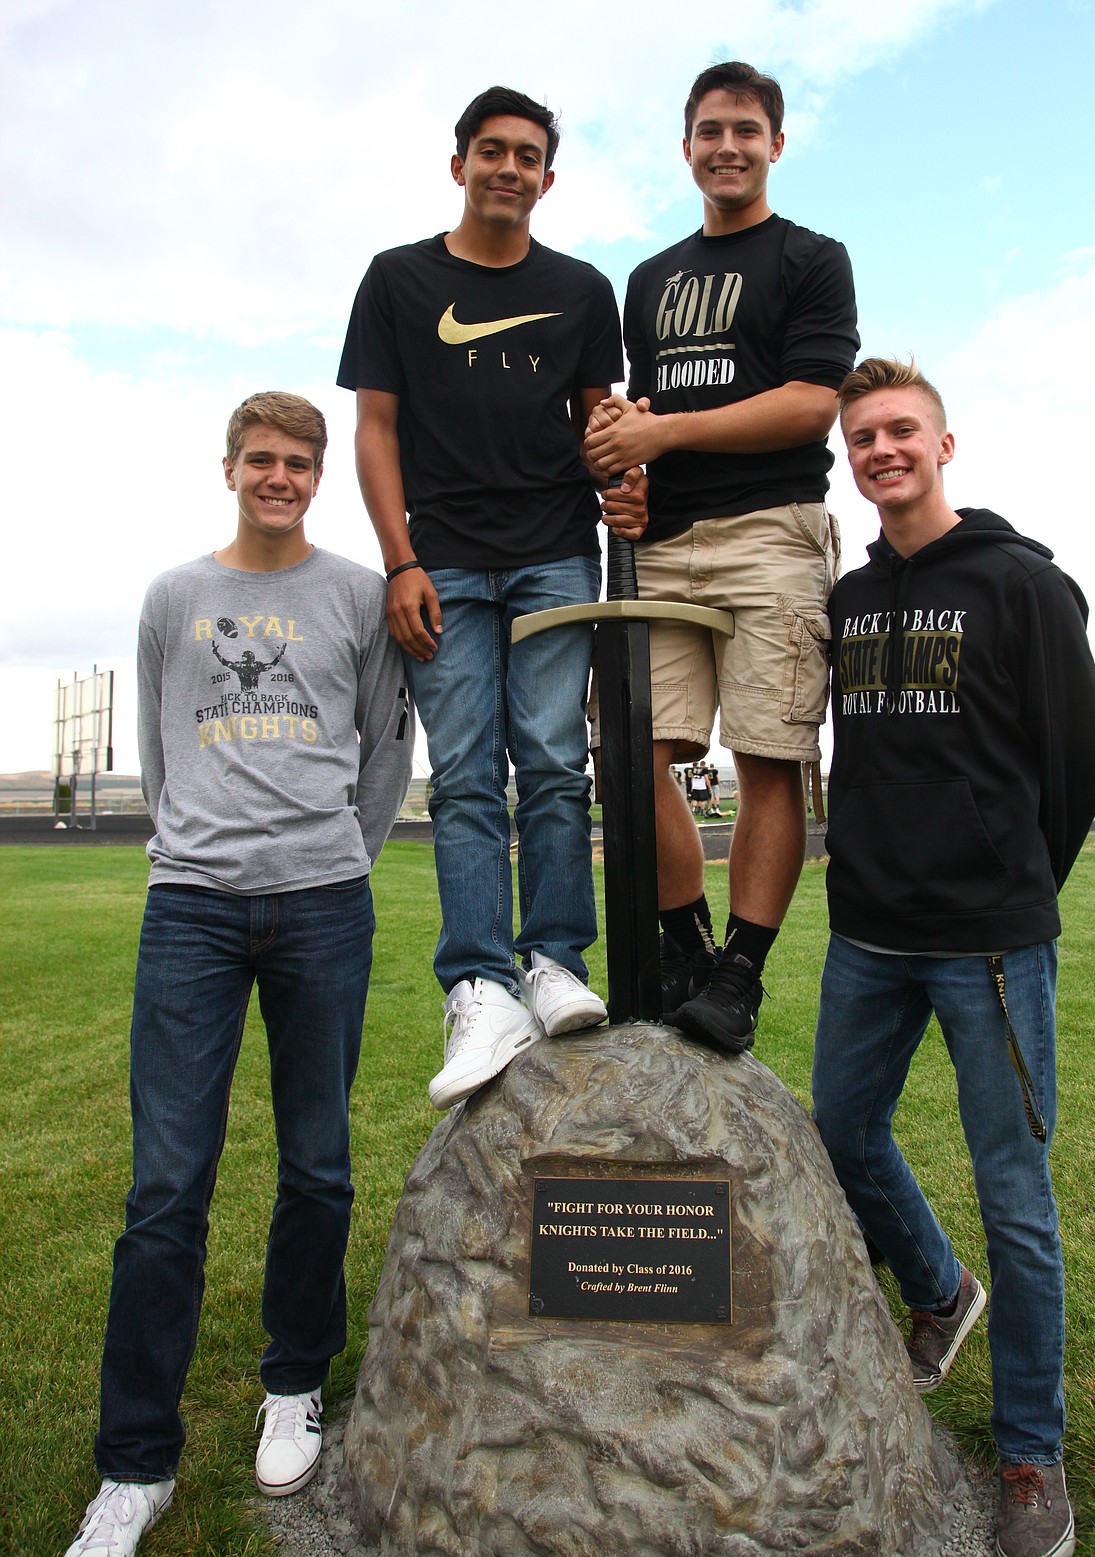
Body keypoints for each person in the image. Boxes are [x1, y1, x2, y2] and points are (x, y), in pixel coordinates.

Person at [64, 393, 414, 1557]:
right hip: (193, 911)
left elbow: (383, 740)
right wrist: (195, 847)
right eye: (260, 460)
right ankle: (135, 1465)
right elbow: (164, 750)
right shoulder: (177, 597)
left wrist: (342, 856)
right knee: (166, 1186)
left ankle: (293, 1385)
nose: (279, 478)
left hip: (323, 902)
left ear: (318, 475)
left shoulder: (358, 595)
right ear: (228, 469)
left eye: (299, 463)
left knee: (317, 1165)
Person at [811, 357, 1095, 1557]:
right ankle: (939, 1292)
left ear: (944, 445)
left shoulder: (1023, 585)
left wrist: (1007, 878)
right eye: (864, 437)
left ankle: (1030, 1456)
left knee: (1018, 1202)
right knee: (840, 1132)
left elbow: (1078, 762)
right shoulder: (850, 599)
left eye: (902, 432)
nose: (883, 449)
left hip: (988, 946)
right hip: (870, 937)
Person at [338, 86, 645, 1112]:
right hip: (445, 565)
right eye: (491, 151)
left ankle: (553, 960)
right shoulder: (397, 279)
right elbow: (375, 430)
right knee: (468, 776)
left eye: (528, 156)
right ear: (459, 163)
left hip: (558, 552)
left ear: (548, 179)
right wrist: (399, 560)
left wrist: (628, 479)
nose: (509, 168)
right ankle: (477, 983)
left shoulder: (583, 289)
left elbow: (601, 426)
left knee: (555, 764)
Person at [585, 61, 858, 1054]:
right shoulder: (650, 281)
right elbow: (642, 418)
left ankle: (741, 973)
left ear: (776, 144)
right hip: (660, 549)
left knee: (769, 754)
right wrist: (629, 467)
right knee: (629, 755)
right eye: (710, 130)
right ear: (687, 146)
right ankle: (688, 947)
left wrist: (666, 439)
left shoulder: (812, 259)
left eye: (747, 129)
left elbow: (810, 402)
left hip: (771, 533)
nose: (728, 147)